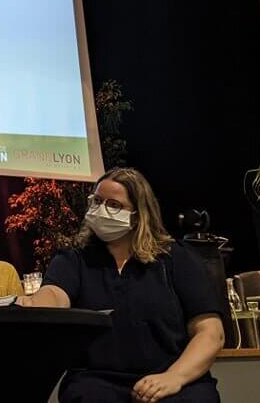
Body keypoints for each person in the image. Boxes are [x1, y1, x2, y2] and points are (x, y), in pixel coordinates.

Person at [19, 168, 224, 403]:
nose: (100, 210)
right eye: (96, 201)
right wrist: (36, 305)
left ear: (138, 215)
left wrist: (173, 377)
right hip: (97, 382)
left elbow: (210, 333)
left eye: (114, 205)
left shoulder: (177, 258)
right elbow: (55, 294)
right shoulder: (75, 259)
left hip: (173, 379)